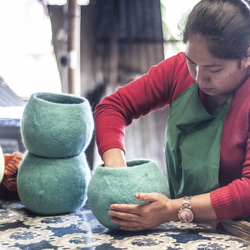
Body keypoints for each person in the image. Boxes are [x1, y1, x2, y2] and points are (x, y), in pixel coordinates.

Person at [94, 0, 250, 231]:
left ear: (247, 57)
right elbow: (112, 107)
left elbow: (247, 192)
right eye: (192, 62)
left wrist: (171, 210)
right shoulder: (178, 71)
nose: (199, 77)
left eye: (214, 69)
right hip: (188, 225)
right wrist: (118, 171)